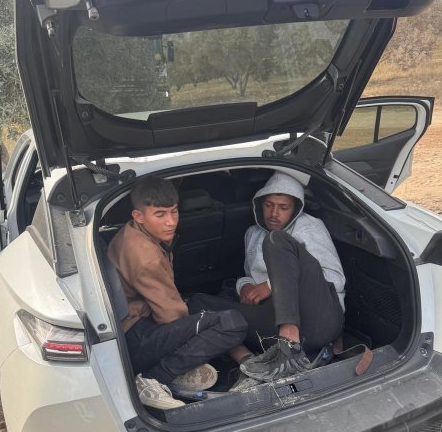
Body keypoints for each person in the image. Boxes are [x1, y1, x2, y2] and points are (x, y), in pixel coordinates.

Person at [189, 171, 345, 388]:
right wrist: (245, 286)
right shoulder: (252, 234)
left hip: (319, 319)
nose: (274, 213)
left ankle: (288, 346)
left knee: (277, 240)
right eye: (269, 205)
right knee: (198, 303)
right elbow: (251, 275)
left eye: (283, 207)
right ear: (259, 205)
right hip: (273, 321)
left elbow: (334, 279)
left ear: (296, 208)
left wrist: (272, 286)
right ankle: (250, 366)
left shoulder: (309, 227)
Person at [107, 176, 248, 410]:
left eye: (174, 212)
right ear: (138, 216)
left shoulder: (132, 233)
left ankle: (176, 371)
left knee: (202, 306)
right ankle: (154, 378)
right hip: (135, 338)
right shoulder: (147, 258)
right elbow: (171, 317)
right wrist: (204, 340)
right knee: (233, 323)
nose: (171, 222)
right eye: (160, 215)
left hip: (132, 324)